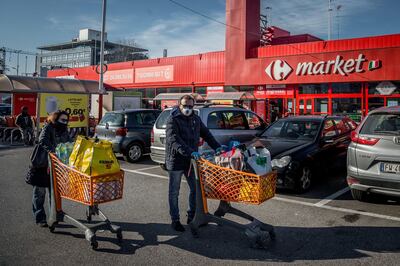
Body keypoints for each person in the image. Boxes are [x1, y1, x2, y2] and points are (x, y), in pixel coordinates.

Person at [165, 95, 224, 232]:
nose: (188, 108)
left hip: (191, 161)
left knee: (195, 189)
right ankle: (175, 220)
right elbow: (174, 140)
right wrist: (190, 152)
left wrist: (217, 147)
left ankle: (192, 216)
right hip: (176, 161)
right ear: (179, 105)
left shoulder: (195, 119)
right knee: (174, 192)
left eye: (190, 106)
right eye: (185, 106)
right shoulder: (173, 119)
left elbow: (206, 134)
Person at [27, 110, 71, 227]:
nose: (65, 122)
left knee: (54, 193)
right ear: (55, 119)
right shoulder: (48, 127)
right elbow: (42, 141)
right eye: (62, 119)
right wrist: (55, 152)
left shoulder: (64, 130)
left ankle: (54, 216)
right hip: (43, 165)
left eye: (66, 120)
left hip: (56, 166)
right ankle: (40, 217)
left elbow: (68, 142)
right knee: (40, 193)